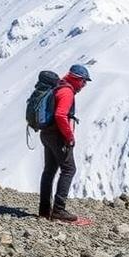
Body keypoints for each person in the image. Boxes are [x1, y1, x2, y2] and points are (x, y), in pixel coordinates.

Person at [39, 64, 91, 221]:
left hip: (46, 134)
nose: (84, 85)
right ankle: (59, 210)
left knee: (49, 171)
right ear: (77, 79)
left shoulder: (57, 87)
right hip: (57, 136)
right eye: (83, 81)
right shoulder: (67, 92)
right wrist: (69, 136)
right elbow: (61, 115)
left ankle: (44, 210)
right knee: (69, 169)